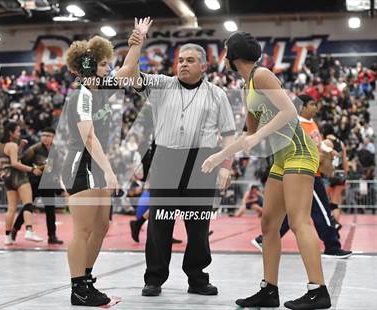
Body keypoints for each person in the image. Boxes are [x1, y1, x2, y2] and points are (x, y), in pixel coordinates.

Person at [202, 32, 331, 309]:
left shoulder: (262, 75)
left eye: (225, 50)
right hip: (281, 158)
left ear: (232, 55)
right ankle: (269, 289)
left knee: (299, 222)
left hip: (299, 151)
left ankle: (318, 290)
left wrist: (257, 137)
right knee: (269, 225)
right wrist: (220, 156)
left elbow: (287, 111)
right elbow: (248, 135)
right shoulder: (249, 86)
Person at [124, 37, 236, 296]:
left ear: (204, 67)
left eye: (190, 60)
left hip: (203, 161)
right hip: (166, 159)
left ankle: (197, 279)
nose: (183, 64)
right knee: (159, 223)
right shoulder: (162, 84)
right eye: (180, 60)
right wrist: (136, 45)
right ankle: (154, 278)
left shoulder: (218, 94)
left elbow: (229, 134)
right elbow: (129, 74)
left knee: (198, 225)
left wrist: (225, 166)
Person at [60, 17, 152, 306]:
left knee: (101, 227)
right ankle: (78, 288)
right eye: (102, 65)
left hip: (96, 165)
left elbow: (126, 70)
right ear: (88, 70)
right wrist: (110, 170)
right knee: (84, 229)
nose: (108, 69)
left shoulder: (102, 89)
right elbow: (88, 139)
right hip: (81, 165)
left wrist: (137, 40)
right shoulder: (82, 95)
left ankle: (86, 280)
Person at [251, 94, 352, 259]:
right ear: (302, 107)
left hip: (311, 170)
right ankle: (332, 246)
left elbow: (317, 147)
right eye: (312, 104)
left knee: (293, 214)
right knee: (322, 210)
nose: (316, 107)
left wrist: (327, 151)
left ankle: (263, 239)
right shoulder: (295, 123)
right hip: (305, 172)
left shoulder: (312, 124)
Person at [0, 122, 43, 245]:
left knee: (11, 208)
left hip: (7, 177)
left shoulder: (1, 145)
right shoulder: (12, 144)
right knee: (28, 204)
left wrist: (21, 146)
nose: (19, 133)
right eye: (17, 131)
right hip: (18, 175)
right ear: (11, 133)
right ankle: (29, 230)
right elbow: (15, 163)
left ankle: (7, 236)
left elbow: (11, 158)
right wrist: (32, 169)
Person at [21, 127, 64, 244]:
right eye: (43, 135)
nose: (45, 137)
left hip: (49, 184)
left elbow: (57, 168)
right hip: (34, 183)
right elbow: (23, 163)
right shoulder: (34, 149)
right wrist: (32, 170)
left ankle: (52, 236)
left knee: (50, 211)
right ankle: (14, 230)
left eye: (48, 135)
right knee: (28, 207)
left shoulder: (55, 151)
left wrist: (57, 180)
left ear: (53, 138)